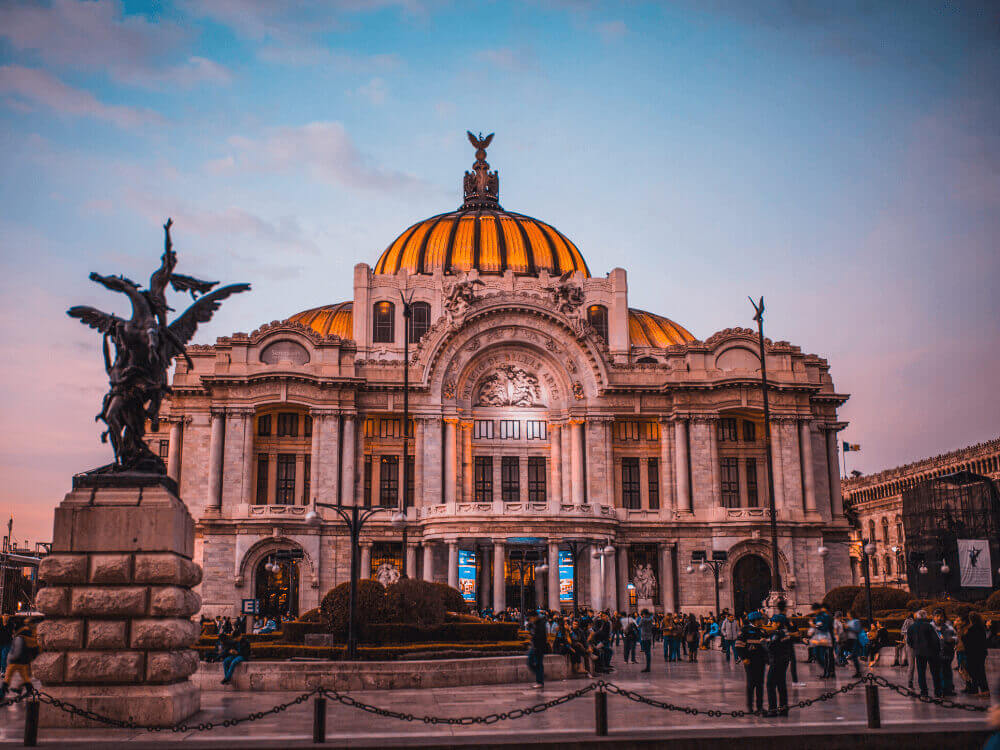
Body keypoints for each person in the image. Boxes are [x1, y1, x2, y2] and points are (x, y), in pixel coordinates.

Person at [735, 611, 768, 715]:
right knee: (751, 684)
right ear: (755, 620)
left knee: (760, 684)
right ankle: (750, 707)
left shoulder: (762, 631)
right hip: (750, 661)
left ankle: (760, 707)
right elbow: (738, 646)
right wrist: (744, 658)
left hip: (760, 661)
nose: (762, 621)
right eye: (760, 619)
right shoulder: (745, 631)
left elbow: (765, 647)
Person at [766, 607, 794, 717]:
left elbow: (770, 647)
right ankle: (783, 708)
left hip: (776, 661)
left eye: (772, 622)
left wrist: (764, 643)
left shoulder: (777, 634)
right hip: (784, 661)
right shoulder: (785, 633)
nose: (771, 623)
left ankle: (772, 709)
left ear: (777, 623)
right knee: (781, 684)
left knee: (770, 684)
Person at [907, 610, 942, 697]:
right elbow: (936, 639)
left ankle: (924, 691)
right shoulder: (929, 626)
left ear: (917, 617)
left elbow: (909, 641)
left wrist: (915, 647)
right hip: (931, 652)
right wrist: (938, 650)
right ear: (925, 617)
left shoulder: (912, 627)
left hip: (919, 652)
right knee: (935, 673)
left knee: (921, 673)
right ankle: (937, 692)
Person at [1, 619, 37, 699]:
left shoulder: (20, 637)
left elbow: (17, 650)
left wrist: (10, 658)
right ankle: (29, 690)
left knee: (8, 676)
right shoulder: (27, 634)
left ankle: (2, 692)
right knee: (25, 677)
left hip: (15, 661)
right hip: (23, 661)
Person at [961, 612, 990, 698]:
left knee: (973, 673)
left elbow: (965, 640)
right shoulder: (981, 628)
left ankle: (974, 691)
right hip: (981, 653)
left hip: (972, 654)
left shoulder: (971, 629)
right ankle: (985, 690)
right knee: (981, 672)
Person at [931, 608, 957, 697]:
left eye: (941, 616)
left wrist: (952, 640)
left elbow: (956, 637)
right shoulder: (930, 627)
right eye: (937, 616)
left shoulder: (948, 627)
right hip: (936, 655)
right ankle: (939, 690)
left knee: (947, 673)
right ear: (933, 617)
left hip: (947, 654)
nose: (939, 618)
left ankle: (948, 689)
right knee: (938, 673)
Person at [527, 611, 548, 689]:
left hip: (539, 647)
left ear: (534, 617)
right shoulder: (534, 624)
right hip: (535, 646)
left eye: (531, 618)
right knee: (530, 662)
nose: (530, 619)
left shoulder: (541, 624)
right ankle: (540, 676)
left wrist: (533, 636)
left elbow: (541, 636)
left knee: (538, 663)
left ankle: (540, 681)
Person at [900, 610, 916, 686]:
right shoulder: (908, 620)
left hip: (918, 644)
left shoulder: (919, 621)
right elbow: (903, 631)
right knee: (911, 663)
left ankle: (914, 680)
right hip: (911, 644)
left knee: (916, 663)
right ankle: (910, 680)